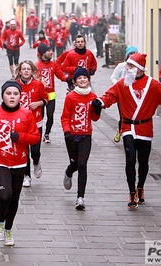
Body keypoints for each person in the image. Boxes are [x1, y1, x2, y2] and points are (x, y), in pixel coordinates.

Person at [92, 53, 161, 209]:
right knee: (130, 159)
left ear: (139, 69)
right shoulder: (122, 84)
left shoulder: (153, 84)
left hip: (145, 128)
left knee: (143, 162)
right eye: (127, 66)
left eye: (131, 66)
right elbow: (110, 95)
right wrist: (100, 102)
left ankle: (140, 186)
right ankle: (131, 193)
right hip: (128, 127)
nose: (127, 69)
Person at [0, 80, 40, 246]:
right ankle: (0, 222)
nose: (12, 97)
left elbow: (35, 137)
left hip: (19, 162)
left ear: (20, 96)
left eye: (15, 94)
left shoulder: (26, 114)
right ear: (2, 95)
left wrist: (21, 137)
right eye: (8, 93)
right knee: (4, 195)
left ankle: (8, 229)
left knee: (14, 198)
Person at [61, 67, 100, 210]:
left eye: (85, 77)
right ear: (75, 81)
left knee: (82, 164)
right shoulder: (70, 97)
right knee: (75, 163)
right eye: (79, 78)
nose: (83, 80)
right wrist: (67, 132)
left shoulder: (93, 97)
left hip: (85, 135)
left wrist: (97, 108)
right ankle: (69, 171)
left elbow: (95, 118)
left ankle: (80, 197)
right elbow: (65, 116)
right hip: (71, 135)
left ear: (88, 80)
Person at [14, 60, 48, 187]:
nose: (26, 71)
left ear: (32, 71)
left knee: (35, 150)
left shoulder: (38, 85)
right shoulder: (14, 85)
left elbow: (46, 99)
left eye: (28, 69)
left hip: (36, 122)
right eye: (24, 69)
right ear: (20, 71)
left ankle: (36, 162)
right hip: (21, 124)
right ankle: (26, 176)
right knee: (24, 151)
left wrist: (38, 103)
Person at [35, 44, 70, 143]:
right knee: (40, 116)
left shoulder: (53, 65)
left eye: (51, 50)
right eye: (49, 51)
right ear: (42, 53)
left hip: (51, 95)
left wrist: (68, 79)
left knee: (50, 115)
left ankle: (47, 134)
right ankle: (38, 133)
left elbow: (60, 75)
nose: (51, 52)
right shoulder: (36, 65)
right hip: (39, 96)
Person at [110, 45, 138, 142]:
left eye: (134, 53)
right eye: (130, 53)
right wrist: (118, 85)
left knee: (134, 115)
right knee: (123, 115)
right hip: (122, 94)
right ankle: (120, 130)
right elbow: (113, 77)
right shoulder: (121, 66)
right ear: (127, 55)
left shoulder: (138, 67)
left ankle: (132, 132)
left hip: (134, 95)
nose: (132, 55)